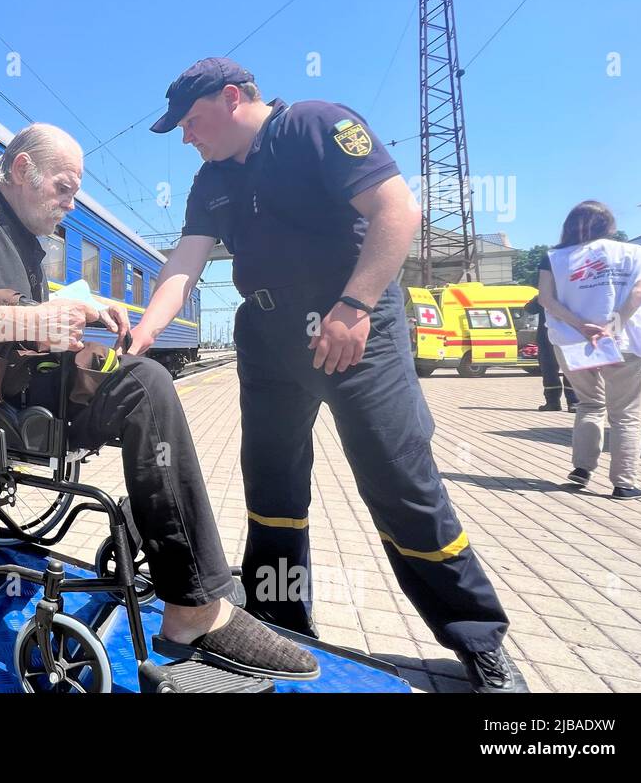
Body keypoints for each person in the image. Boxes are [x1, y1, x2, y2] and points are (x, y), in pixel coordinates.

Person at [133, 58, 523, 692]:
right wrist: (144, 332)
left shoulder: (317, 126)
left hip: (351, 328)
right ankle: (281, 620)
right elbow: (185, 261)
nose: (186, 136)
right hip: (266, 336)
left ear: (233, 98)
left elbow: (397, 210)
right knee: (272, 488)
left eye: (192, 121)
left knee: (400, 482)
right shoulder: (210, 182)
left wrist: (357, 305)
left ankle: (479, 640)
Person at [0, 123, 319, 680]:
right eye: (64, 188)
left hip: (22, 384)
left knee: (139, 378)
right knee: (145, 385)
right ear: (23, 170)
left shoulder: (26, 242)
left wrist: (84, 308)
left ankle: (188, 571)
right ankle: (193, 602)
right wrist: (31, 318)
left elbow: (25, 321)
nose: (71, 204)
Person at [538, 201, 641, 500]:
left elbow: (546, 298)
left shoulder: (554, 258)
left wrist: (582, 325)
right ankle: (624, 483)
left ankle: (581, 469)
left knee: (589, 404)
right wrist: (613, 326)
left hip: (572, 340)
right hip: (622, 341)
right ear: (609, 225)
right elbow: (640, 292)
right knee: (625, 414)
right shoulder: (637, 253)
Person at [524, 295, 578, 411]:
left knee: (567, 369)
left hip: (562, 336)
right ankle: (558, 402)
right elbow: (529, 308)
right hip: (552, 337)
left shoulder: (567, 293)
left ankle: (570, 401)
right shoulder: (547, 294)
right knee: (553, 370)